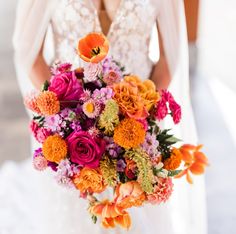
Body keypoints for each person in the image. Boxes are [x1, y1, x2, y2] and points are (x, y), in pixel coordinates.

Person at [0, 0, 207, 233]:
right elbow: (29, 53)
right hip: (70, 127)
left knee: (134, 212)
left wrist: (141, 119)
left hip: (137, 128)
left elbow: (170, 55)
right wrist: (64, 117)